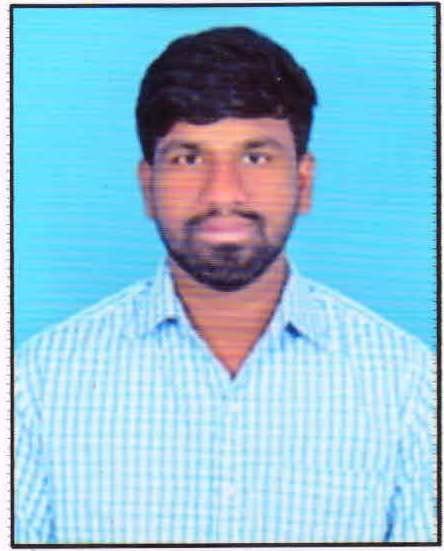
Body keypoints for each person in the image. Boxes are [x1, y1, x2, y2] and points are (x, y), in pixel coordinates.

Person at [14, 26, 435, 544]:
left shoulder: (409, 385)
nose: (222, 194)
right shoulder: (40, 383)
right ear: (147, 187)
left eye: (255, 157)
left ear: (303, 183)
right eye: (188, 159)